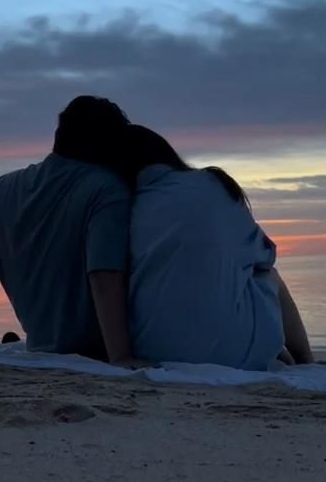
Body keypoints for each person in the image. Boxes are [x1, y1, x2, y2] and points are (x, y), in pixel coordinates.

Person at [0, 96, 141, 366]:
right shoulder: (106, 189)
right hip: (96, 350)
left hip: (40, 347)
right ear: (107, 143)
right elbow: (103, 276)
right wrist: (121, 357)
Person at [125, 125, 313, 368]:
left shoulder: (122, 205)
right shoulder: (210, 184)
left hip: (151, 348)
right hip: (230, 354)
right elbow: (265, 255)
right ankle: (307, 362)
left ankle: (275, 348)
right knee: (269, 276)